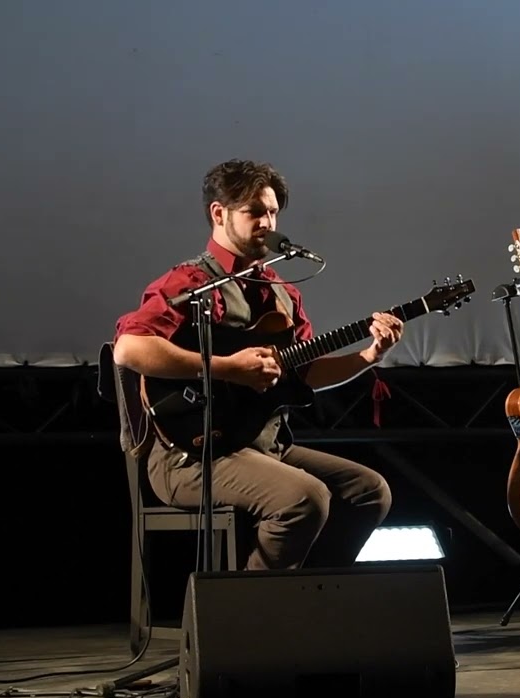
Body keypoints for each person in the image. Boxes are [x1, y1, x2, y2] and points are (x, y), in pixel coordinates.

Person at [112, 158, 402, 571]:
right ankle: (253, 604)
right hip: (190, 456)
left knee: (369, 491)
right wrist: (228, 368)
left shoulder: (283, 294)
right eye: (254, 212)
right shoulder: (190, 284)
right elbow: (128, 349)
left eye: (273, 212)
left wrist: (369, 356)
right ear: (219, 213)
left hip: (262, 446)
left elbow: (305, 373)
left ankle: (310, 593)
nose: (267, 222)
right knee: (304, 498)